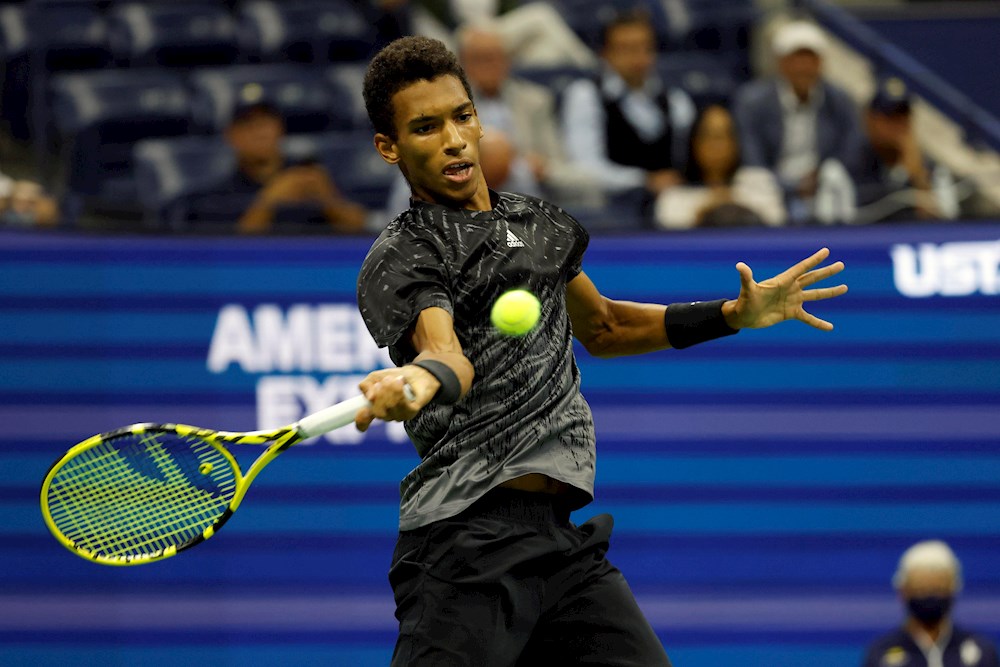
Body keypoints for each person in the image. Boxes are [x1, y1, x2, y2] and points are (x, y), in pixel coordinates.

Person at [353, 35, 847, 666]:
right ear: (388, 147)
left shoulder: (540, 225)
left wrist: (731, 315)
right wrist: (418, 384)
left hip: (562, 546)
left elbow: (607, 327)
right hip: (466, 548)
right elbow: (446, 352)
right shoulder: (404, 254)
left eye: (462, 115)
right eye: (425, 127)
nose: (452, 139)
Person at [385, 21, 599, 215]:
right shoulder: (439, 104)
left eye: (496, 57)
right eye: (479, 58)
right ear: (460, 64)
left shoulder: (535, 101)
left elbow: (565, 170)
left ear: (508, 61)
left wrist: (544, 170)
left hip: (523, 199)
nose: (489, 65)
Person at [561, 10, 696, 225]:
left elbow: (684, 165)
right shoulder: (586, 96)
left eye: (644, 47)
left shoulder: (676, 101)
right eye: (626, 48)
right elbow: (585, 168)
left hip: (670, 207)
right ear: (606, 53)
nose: (637, 56)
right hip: (609, 206)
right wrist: (643, 180)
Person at [732, 20, 864, 224]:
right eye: (796, 58)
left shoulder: (839, 100)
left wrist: (819, 178)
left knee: (836, 176)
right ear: (781, 62)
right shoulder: (752, 101)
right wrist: (791, 186)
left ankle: (838, 242)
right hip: (771, 184)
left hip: (822, 184)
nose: (803, 67)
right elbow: (752, 157)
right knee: (753, 180)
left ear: (821, 63)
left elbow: (850, 149)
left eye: (810, 58)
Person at [194, 84, 368, 234]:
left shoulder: (306, 174)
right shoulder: (220, 197)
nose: (259, 132)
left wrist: (327, 199)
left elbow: (360, 229)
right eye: (248, 124)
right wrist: (270, 200)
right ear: (231, 135)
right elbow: (229, 254)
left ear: (280, 128)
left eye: (266, 122)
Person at [862, 540, 999, 667]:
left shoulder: (982, 652)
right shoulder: (881, 654)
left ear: (954, 589)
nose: (930, 595)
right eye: (921, 588)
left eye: (939, 587)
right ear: (903, 592)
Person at [654, 103, 786, 229]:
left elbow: (776, 218)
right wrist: (707, 208)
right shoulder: (674, 197)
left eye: (725, 135)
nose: (718, 146)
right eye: (710, 136)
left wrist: (732, 204)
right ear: (694, 143)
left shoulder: (759, 182)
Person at [854, 76, 959, 224]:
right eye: (890, 118)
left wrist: (919, 178)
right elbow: (838, 226)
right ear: (870, 119)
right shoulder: (847, 165)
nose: (898, 125)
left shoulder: (934, 170)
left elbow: (947, 231)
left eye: (904, 117)